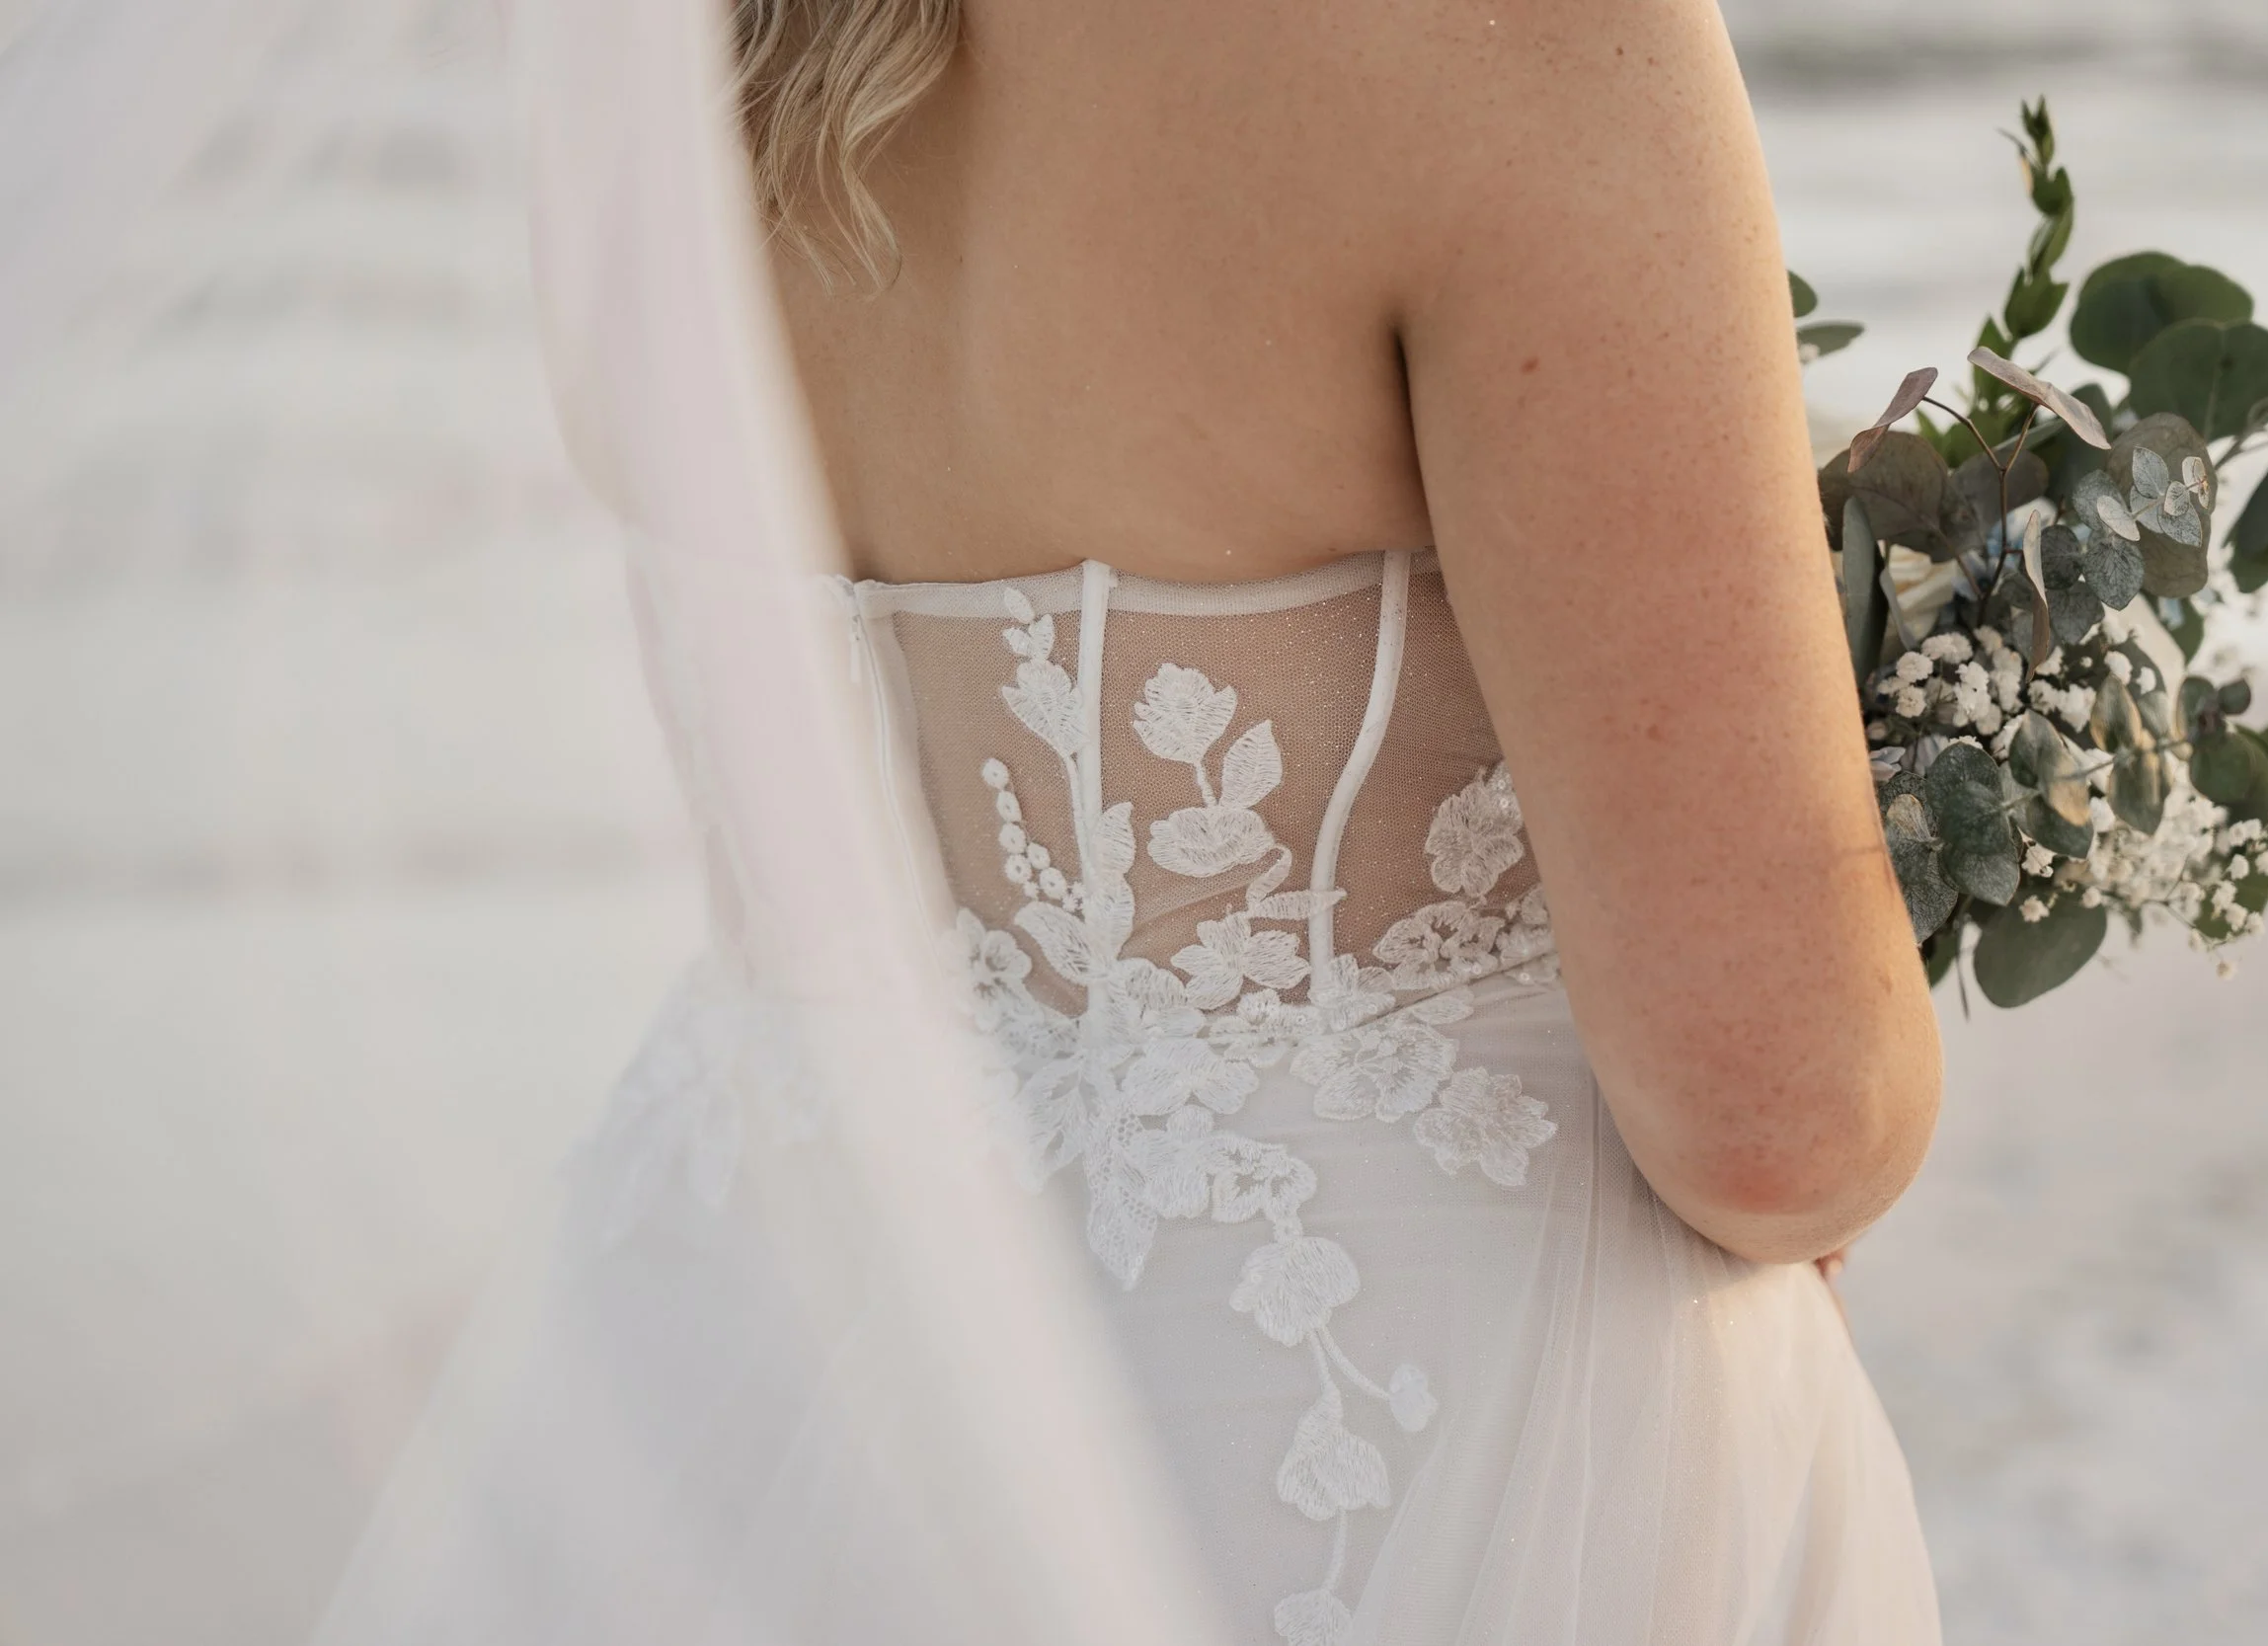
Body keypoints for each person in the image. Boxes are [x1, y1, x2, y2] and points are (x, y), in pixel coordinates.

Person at [315, 0, 1943, 1639]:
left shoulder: (645, 46)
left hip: (705, 1356)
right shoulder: (1511, 39)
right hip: (1383, 1425)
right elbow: (1781, 1118)